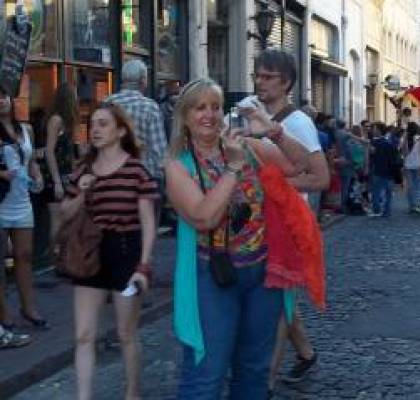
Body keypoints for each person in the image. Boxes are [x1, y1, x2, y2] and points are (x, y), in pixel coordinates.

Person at [165, 78, 310, 399]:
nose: (209, 115)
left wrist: (271, 128)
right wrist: (232, 168)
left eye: (215, 107)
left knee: (254, 370)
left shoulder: (249, 146)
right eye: (200, 107)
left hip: (262, 275)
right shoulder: (179, 166)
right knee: (207, 372)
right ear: (185, 116)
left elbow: (303, 164)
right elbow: (204, 217)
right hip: (213, 277)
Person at [239, 49, 330, 393]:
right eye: (258, 75)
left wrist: (273, 186)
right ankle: (306, 353)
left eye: (268, 77)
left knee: (276, 299)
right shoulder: (250, 111)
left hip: (287, 224)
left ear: (286, 82)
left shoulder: (297, 123)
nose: (260, 82)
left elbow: (320, 178)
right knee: (277, 296)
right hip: (253, 224)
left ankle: (267, 381)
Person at [60, 103, 157, 400]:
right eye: (93, 125)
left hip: (126, 250)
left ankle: (132, 393)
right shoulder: (83, 169)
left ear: (121, 130)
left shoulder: (137, 170)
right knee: (83, 335)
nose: (96, 130)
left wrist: (144, 265)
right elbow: (64, 213)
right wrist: (83, 192)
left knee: (125, 333)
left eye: (103, 124)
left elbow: (148, 221)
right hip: (90, 252)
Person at [0, 87, 46, 329]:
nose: (1, 101)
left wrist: (37, 176)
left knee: (25, 256)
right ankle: (4, 313)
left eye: (4, 96)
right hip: (1, 202)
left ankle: (28, 307)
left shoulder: (25, 129)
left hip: (22, 202)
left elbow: (32, 162)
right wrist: (2, 173)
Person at [106, 59, 168, 221]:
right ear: (142, 81)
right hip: (145, 178)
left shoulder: (108, 103)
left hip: (112, 176)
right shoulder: (150, 107)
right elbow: (159, 149)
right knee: (146, 228)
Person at [38, 83, 79, 240]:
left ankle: (63, 256)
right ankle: (56, 258)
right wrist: (57, 182)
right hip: (56, 177)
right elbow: (49, 151)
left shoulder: (67, 121)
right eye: (74, 95)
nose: (77, 98)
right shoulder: (56, 120)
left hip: (65, 175)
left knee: (66, 220)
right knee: (57, 221)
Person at [401, 122, 420, 215]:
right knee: (418, 184)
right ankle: (418, 204)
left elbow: (403, 152)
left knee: (410, 185)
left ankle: (411, 205)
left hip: (408, 164)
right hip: (418, 164)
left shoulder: (405, 139)